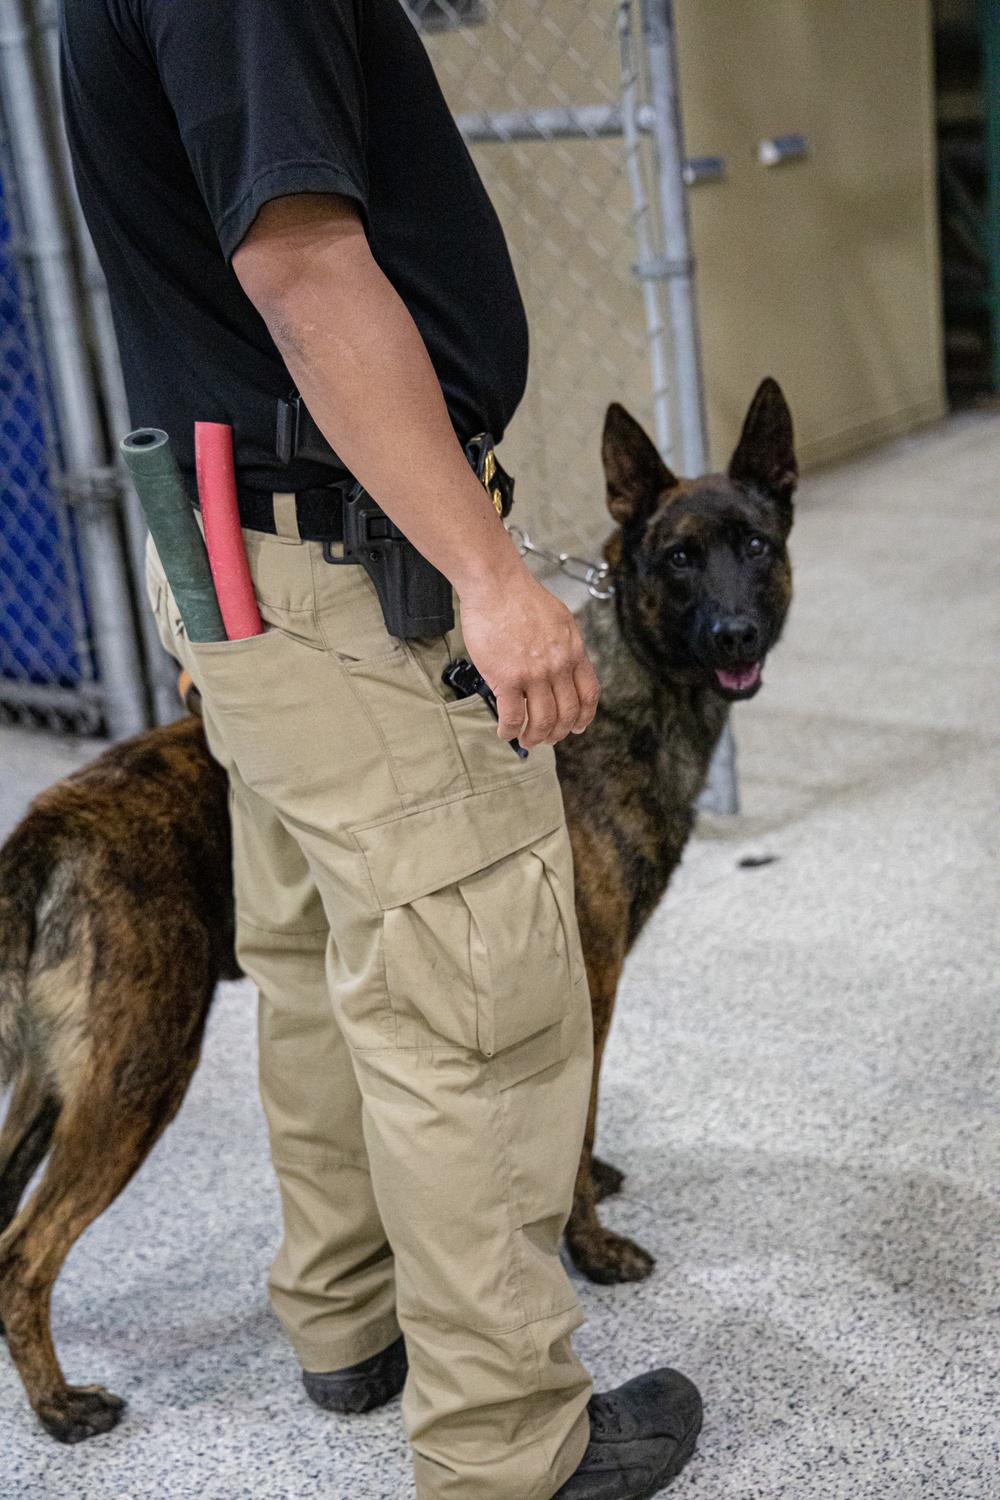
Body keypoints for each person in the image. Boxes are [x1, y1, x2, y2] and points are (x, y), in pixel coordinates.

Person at [61, 2, 702, 1495]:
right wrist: (487, 573)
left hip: (250, 557)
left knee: (316, 950)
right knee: (474, 989)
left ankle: (347, 1315)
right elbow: (298, 262)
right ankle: (508, 1445)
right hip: (352, 568)